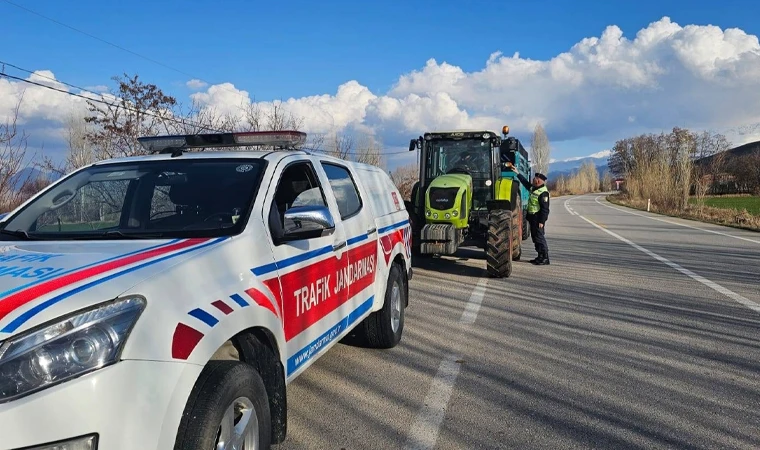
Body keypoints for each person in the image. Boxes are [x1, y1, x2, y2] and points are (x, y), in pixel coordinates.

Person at [505, 162, 550, 265]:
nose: (533, 180)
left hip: (538, 219)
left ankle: (545, 257)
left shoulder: (543, 193)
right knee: (535, 238)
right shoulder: (535, 189)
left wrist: (542, 221)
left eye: (534, 179)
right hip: (533, 218)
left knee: (539, 238)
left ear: (538, 180)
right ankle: (539, 256)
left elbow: (545, 209)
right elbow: (525, 183)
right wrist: (517, 173)